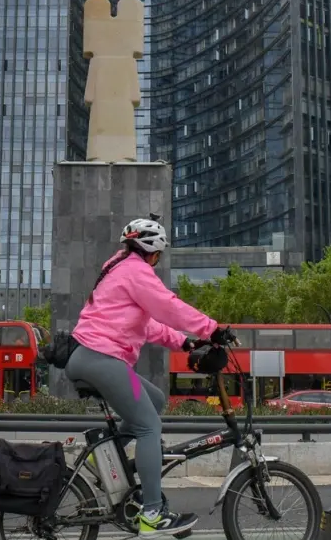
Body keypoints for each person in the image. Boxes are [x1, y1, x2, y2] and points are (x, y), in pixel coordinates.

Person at [65, 218, 235, 537]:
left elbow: (148, 325)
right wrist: (212, 328)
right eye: (159, 256)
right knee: (148, 426)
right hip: (102, 360)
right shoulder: (136, 272)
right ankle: (152, 514)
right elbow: (168, 307)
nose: (158, 262)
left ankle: (105, 449)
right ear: (153, 252)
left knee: (155, 401)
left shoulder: (118, 267)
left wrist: (186, 341)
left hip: (96, 358)